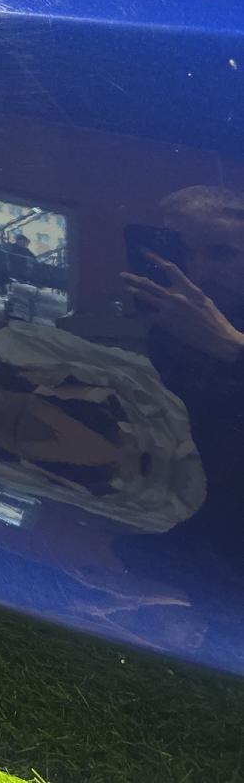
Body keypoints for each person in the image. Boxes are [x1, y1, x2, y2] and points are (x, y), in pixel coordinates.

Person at [120, 185, 244, 557]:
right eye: (183, 253)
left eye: (221, 253)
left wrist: (230, 345)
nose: (199, 272)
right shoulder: (167, 329)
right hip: (185, 519)